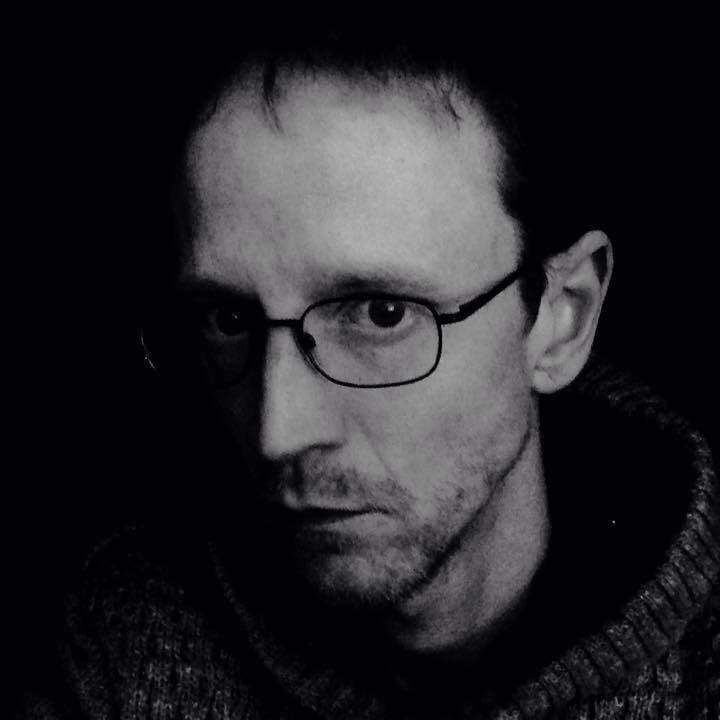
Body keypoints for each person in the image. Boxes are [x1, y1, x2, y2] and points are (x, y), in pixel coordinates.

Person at [18, 22, 718, 720]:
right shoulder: (125, 634)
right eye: (228, 320)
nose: (278, 432)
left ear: (562, 317)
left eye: (381, 314)